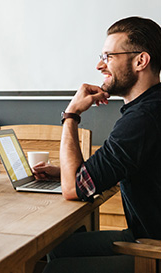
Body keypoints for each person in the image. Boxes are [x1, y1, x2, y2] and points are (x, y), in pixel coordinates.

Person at [33, 17, 161, 273]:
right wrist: (66, 171)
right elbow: (125, 167)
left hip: (153, 249)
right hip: (147, 234)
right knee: (58, 248)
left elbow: (72, 190)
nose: (100, 65)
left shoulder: (142, 119)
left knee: (55, 269)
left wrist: (71, 115)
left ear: (140, 61)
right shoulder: (149, 108)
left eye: (109, 56)